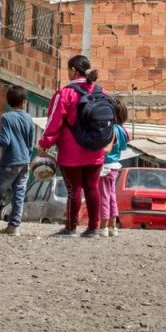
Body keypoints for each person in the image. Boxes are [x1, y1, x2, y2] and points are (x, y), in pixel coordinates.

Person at [38, 54, 106, 238]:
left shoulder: (65, 93)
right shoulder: (100, 91)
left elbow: (54, 122)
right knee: (92, 188)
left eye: (68, 69)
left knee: (73, 190)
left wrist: (44, 143)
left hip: (71, 152)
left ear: (73, 70)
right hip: (95, 149)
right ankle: (93, 228)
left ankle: (71, 227)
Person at [0, 86, 35, 236]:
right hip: (24, 162)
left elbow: (5, 140)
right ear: (24, 102)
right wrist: (27, 157)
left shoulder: (6, 117)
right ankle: (14, 227)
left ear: (9, 102)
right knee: (19, 194)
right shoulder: (29, 118)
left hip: (9, 162)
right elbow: (30, 143)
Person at [98, 98, 130, 238]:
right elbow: (122, 147)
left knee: (104, 196)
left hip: (105, 166)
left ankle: (103, 226)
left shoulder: (112, 129)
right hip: (115, 165)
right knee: (112, 196)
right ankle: (113, 226)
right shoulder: (123, 130)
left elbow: (106, 149)